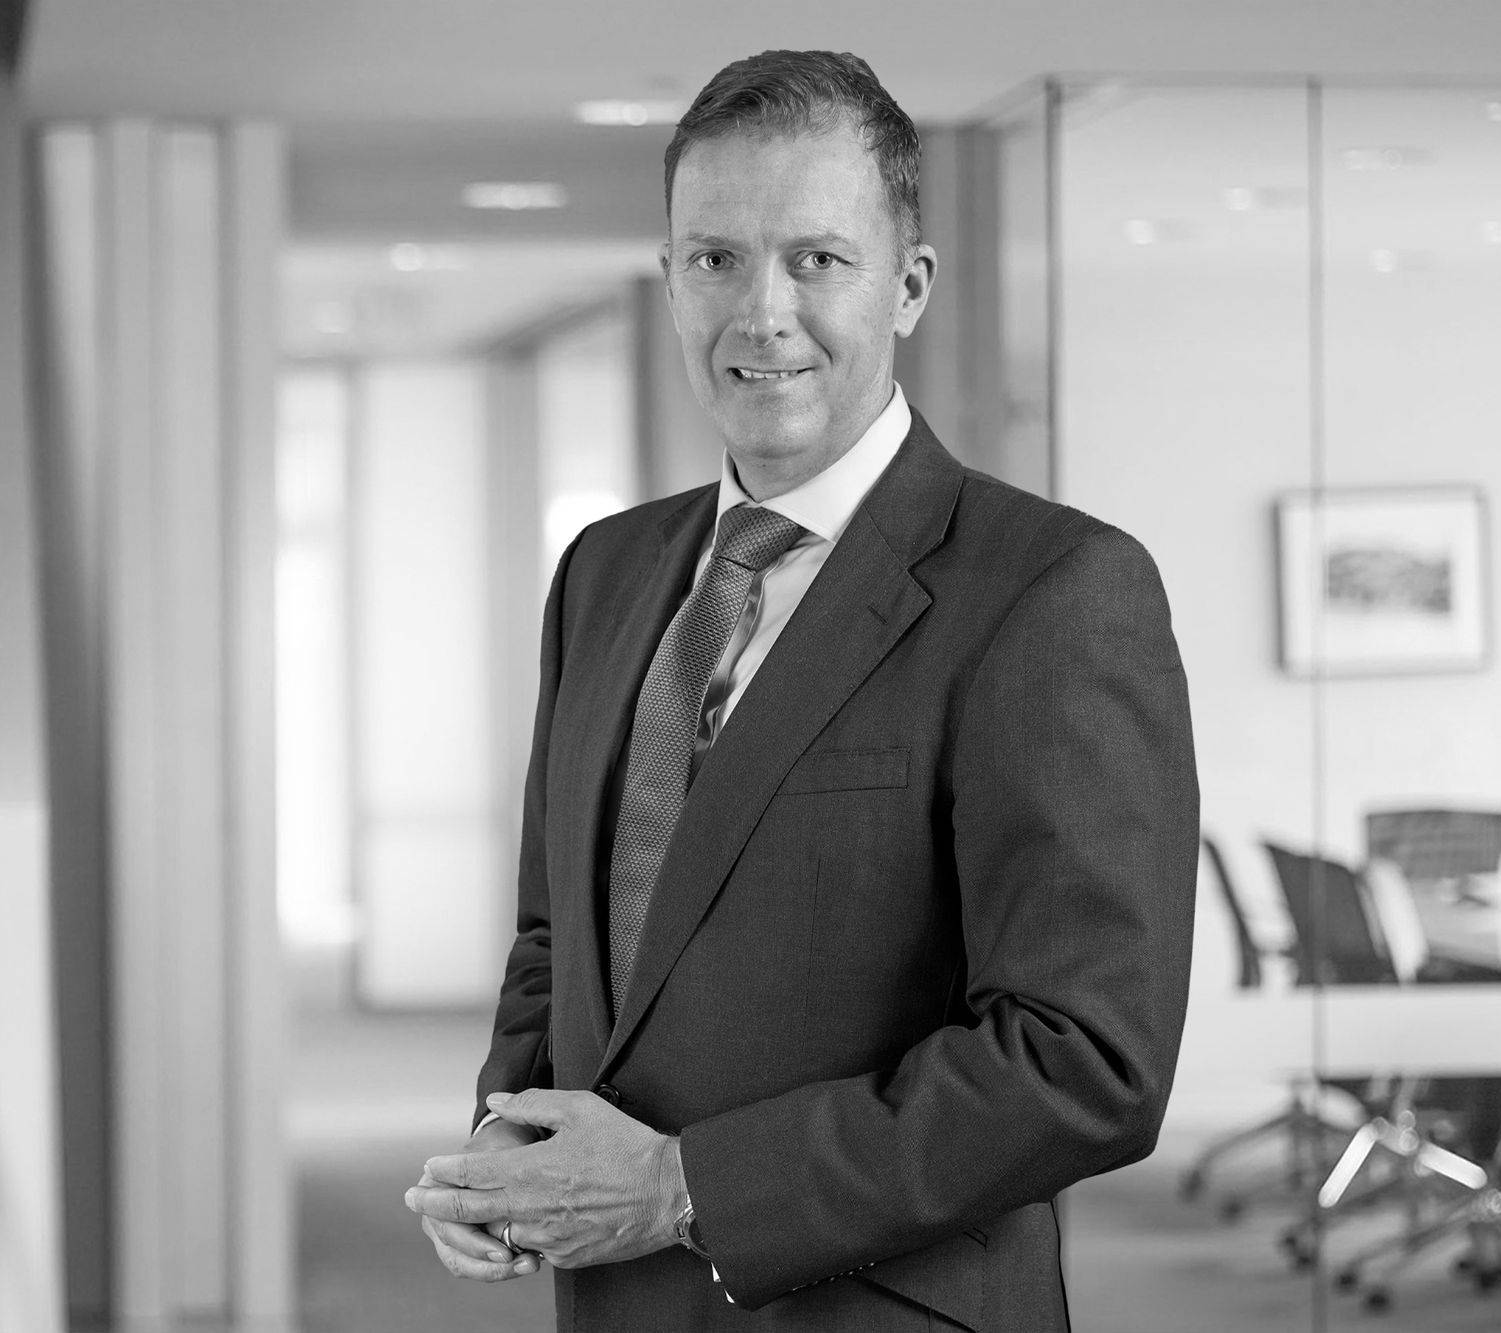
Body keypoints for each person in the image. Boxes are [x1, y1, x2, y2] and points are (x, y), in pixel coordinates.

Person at [402, 49, 1199, 1332]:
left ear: (908, 286)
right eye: (715, 258)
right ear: (670, 278)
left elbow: (1083, 1059)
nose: (760, 312)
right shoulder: (605, 572)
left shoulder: (1051, 590)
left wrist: (683, 1188)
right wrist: (513, 1133)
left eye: (816, 259)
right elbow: (558, 933)